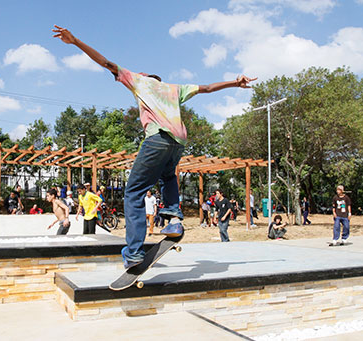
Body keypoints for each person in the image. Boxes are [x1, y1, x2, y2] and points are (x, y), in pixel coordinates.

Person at [52, 25, 256, 269]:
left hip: (157, 139)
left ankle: (135, 251)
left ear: (145, 77)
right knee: (168, 176)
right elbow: (207, 88)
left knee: (134, 192)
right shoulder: (174, 88)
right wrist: (236, 82)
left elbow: (105, 62)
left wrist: (75, 41)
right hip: (178, 142)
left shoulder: (139, 81)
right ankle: (174, 219)